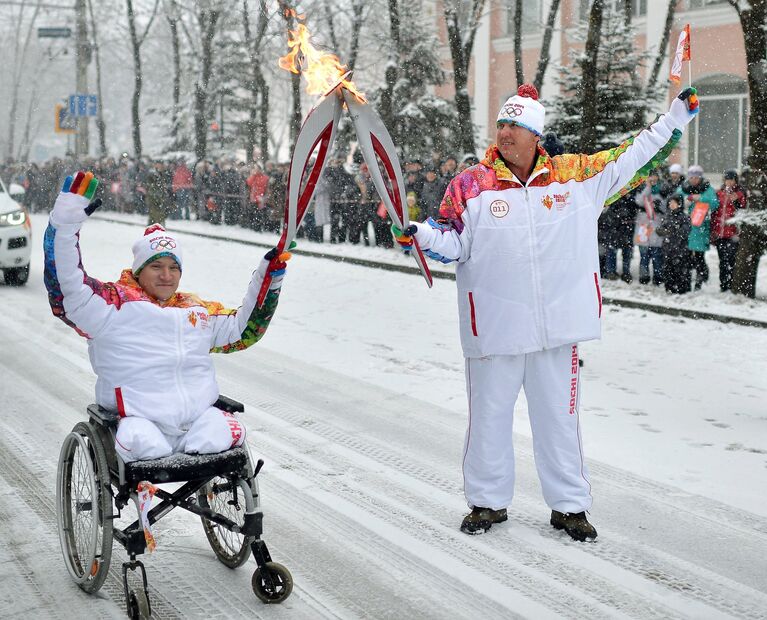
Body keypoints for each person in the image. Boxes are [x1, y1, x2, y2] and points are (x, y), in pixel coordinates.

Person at [391, 83, 699, 541]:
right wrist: (420, 234)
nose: (505, 132)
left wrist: (673, 119)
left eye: (515, 125)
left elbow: (635, 154)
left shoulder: (575, 176)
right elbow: (452, 242)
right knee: (489, 417)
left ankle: (570, 507)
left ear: (536, 133)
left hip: (558, 325)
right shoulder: (472, 184)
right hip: (494, 325)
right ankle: (487, 502)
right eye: (501, 123)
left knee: (560, 419)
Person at [44, 171, 291, 463]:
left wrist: (269, 278)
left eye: (174, 268)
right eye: (156, 266)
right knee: (142, 442)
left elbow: (244, 330)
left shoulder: (195, 310)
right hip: (140, 422)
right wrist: (64, 224)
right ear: (138, 270)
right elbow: (67, 290)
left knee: (224, 430)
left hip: (197, 421)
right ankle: (148, 498)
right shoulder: (112, 306)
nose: (166, 276)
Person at [678, 164, 719, 290]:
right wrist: (685, 200)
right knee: (687, 255)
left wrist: (700, 198)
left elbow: (714, 203)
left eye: (696, 177)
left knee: (699, 255)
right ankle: (688, 278)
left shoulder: (707, 188)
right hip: (686, 226)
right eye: (692, 177)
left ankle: (701, 279)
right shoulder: (684, 188)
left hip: (700, 226)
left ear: (701, 178)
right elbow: (674, 199)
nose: (694, 180)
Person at [712, 170, 746, 292]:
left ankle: (731, 285)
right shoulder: (719, 193)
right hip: (720, 233)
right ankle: (723, 285)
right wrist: (713, 230)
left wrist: (738, 198)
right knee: (722, 261)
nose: (729, 182)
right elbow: (714, 212)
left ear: (735, 181)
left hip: (733, 234)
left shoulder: (740, 193)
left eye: (732, 180)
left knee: (731, 260)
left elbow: (743, 209)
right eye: (727, 179)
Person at [633, 170, 666, 285]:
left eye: (655, 176)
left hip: (656, 225)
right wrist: (647, 188)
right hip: (643, 226)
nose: (653, 178)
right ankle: (644, 277)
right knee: (644, 255)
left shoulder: (662, 190)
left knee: (657, 255)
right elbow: (639, 201)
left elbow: (666, 207)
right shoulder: (641, 188)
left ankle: (658, 277)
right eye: (650, 176)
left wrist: (659, 205)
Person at [656, 195, 691, 294]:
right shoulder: (667, 216)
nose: (671, 205)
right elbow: (660, 230)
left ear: (679, 204)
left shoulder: (684, 217)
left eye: (674, 203)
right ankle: (669, 287)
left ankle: (681, 289)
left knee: (680, 270)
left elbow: (685, 231)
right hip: (667, 248)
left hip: (680, 249)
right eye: (670, 203)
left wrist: (673, 230)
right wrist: (661, 231)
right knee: (668, 269)